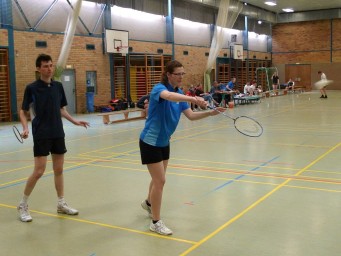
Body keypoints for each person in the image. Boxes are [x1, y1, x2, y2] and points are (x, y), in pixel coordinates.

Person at [139, 60, 225, 235]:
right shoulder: (159, 89)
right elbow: (169, 97)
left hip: (164, 141)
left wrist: (210, 113)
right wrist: (193, 98)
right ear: (169, 74)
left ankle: (148, 203)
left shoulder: (180, 94)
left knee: (158, 179)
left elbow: (191, 116)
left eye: (182, 74)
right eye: (177, 74)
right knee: (160, 181)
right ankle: (155, 222)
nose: (180, 77)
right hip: (150, 141)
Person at [17, 54, 90, 222]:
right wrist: (25, 128)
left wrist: (75, 121)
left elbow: (61, 109)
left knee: (59, 170)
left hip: (57, 132)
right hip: (41, 133)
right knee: (39, 171)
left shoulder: (58, 86)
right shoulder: (32, 88)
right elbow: (23, 111)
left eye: (50, 65)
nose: (49, 69)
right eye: (45, 66)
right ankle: (23, 204)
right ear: (38, 69)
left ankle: (61, 203)